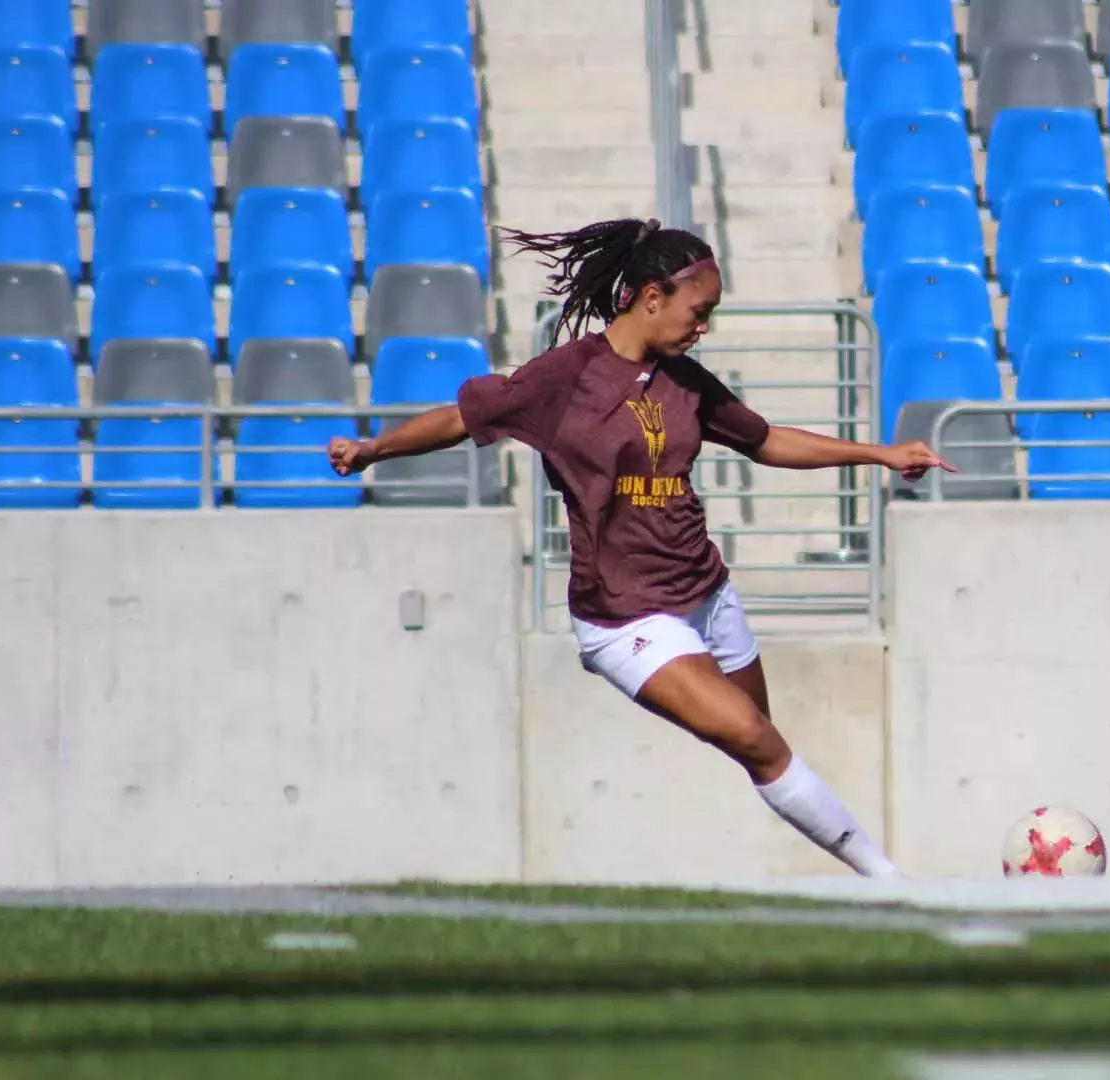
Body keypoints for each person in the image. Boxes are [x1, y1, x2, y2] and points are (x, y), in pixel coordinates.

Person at [328, 218, 952, 877]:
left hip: (708, 594)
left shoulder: (685, 380)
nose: (703, 327)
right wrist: (373, 449)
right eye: (699, 311)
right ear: (651, 297)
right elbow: (461, 417)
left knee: (760, 743)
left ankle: (864, 873)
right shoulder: (565, 378)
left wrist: (879, 454)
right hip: (626, 615)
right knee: (755, 740)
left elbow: (765, 440)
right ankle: (890, 882)